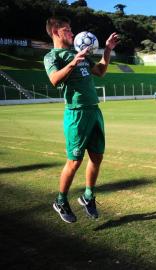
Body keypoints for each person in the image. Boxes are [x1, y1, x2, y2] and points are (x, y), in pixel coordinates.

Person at [44, 16, 119, 223]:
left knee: (97, 158)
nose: (71, 33)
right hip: (76, 113)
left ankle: (88, 197)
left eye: (70, 29)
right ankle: (60, 201)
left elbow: (101, 72)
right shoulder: (52, 56)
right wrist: (72, 63)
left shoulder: (81, 53)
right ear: (56, 32)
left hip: (94, 111)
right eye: (67, 30)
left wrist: (107, 49)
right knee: (74, 161)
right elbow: (54, 80)